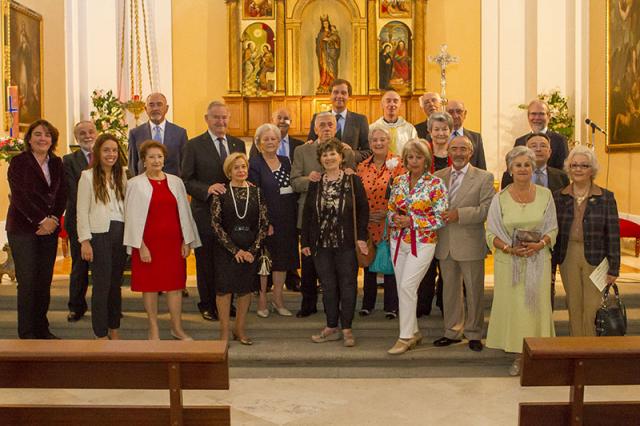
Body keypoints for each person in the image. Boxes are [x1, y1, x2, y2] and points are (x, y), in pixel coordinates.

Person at [486, 146, 557, 376]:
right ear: (510, 169)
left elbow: (552, 227)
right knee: (515, 310)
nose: (523, 168)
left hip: (538, 261)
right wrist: (509, 248)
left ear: (533, 168)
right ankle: (519, 357)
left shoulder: (546, 195)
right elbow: (491, 233)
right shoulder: (500, 198)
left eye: (527, 164)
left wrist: (541, 244)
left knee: (536, 308)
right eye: (518, 165)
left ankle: (539, 355)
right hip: (510, 263)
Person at [125, 141, 201, 340]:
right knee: (149, 287)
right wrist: (140, 245)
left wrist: (186, 240)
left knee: (175, 286)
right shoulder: (134, 184)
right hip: (147, 244)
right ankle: (154, 329)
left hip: (173, 243)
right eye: (151, 157)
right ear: (143, 160)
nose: (156, 160)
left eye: (159, 156)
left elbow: (184, 213)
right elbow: (131, 217)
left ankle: (177, 328)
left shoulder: (176, 182)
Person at [301, 139, 369, 347]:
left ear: (341, 157)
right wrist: (305, 241)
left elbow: (362, 209)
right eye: (325, 155)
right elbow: (308, 213)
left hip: (346, 243)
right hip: (321, 245)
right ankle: (331, 326)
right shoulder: (316, 182)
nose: (329, 158)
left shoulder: (352, 180)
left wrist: (361, 238)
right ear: (320, 159)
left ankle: (347, 328)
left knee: (348, 285)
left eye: (333, 154)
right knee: (328, 286)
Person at [182, 101, 246, 321]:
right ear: (207, 119)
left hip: (232, 215)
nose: (221, 121)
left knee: (228, 260)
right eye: (216, 117)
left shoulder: (238, 144)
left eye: (224, 117)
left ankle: (226, 302)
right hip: (205, 213)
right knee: (206, 261)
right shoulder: (193, 145)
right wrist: (207, 189)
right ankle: (207, 304)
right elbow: (186, 180)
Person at [432, 136, 494, 352]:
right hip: (445, 243)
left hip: (470, 241)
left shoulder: (484, 177)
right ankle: (451, 331)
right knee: (449, 290)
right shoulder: (437, 177)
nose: (458, 153)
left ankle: (474, 332)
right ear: (448, 152)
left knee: (474, 290)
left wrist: (459, 214)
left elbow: (486, 210)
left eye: (463, 149)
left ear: (471, 152)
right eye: (454, 149)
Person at [6, 119, 67, 339]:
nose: (43, 138)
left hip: (49, 229)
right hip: (23, 229)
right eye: (38, 134)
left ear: (53, 140)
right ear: (29, 138)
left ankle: (42, 329)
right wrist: (40, 220)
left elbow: (62, 194)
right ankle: (27, 332)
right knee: (28, 281)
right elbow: (20, 196)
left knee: (44, 281)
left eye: (48, 135)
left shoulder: (57, 163)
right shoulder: (19, 162)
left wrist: (53, 219)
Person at [292, 112, 356, 317]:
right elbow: (294, 182)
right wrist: (308, 179)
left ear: (336, 127)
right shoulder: (302, 150)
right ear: (315, 128)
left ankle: (337, 308)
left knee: (337, 268)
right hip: (310, 218)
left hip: (339, 221)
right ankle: (308, 304)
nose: (326, 128)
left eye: (330, 124)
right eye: (322, 125)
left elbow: (352, 181)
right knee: (309, 266)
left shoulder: (346, 151)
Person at [387, 139, 447, 355]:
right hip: (398, 241)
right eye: (410, 157)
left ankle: (405, 337)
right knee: (404, 288)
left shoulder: (435, 184)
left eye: (418, 157)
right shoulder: (399, 181)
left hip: (423, 242)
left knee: (407, 286)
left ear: (426, 159)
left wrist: (412, 221)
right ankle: (413, 331)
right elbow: (390, 209)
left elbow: (441, 217)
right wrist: (394, 217)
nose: (413, 161)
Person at [553, 145, 620, 336]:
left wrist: (614, 268)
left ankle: (591, 350)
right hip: (568, 256)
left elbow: (613, 234)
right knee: (573, 305)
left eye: (584, 165)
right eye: (574, 165)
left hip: (597, 258)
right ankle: (577, 349)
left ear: (592, 170)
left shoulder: (606, 197)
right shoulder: (559, 196)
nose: (578, 169)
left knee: (592, 307)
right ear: (569, 168)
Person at [211, 153, 268, 344]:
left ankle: (240, 330)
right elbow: (216, 225)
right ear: (229, 171)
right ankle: (224, 332)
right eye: (236, 167)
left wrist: (252, 251)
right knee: (224, 291)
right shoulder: (222, 193)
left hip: (250, 250)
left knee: (245, 291)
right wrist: (235, 251)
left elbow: (263, 224)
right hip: (226, 250)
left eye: (243, 166)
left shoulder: (257, 192)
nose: (241, 170)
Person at [76, 134, 127, 340]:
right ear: (98, 152)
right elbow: (81, 211)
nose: (111, 154)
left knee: (116, 286)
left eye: (114, 150)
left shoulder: (122, 174)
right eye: (106, 150)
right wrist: (85, 241)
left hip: (120, 233)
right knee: (102, 286)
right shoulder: (87, 176)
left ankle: (114, 330)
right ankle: (100, 333)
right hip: (99, 235)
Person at [249, 123, 298, 317]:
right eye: (266, 139)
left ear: (279, 141)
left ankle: (278, 300)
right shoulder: (254, 163)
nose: (270, 142)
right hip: (266, 221)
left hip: (287, 218)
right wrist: (265, 222)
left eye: (273, 138)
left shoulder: (286, 161)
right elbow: (255, 194)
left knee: (282, 260)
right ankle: (262, 299)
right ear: (259, 142)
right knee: (265, 261)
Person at [356, 125, 403, 318]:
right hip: (367, 223)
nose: (378, 143)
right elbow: (358, 196)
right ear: (370, 143)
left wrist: (388, 212)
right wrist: (366, 215)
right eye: (374, 140)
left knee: (390, 264)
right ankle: (368, 304)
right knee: (369, 263)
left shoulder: (399, 163)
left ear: (388, 141)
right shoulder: (362, 167)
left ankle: (391, 306)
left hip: (389, 223)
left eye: (382, 139)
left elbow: (403, 192)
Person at [415, 112, 453, 318]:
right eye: (436, 129)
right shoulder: (422, 154)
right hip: (424, 220)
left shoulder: (456, 153)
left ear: (450, 131)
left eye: (444, 129)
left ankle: (445, 303)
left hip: (449, 219)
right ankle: (423, 305)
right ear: (429, 132)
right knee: (426, 265)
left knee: (447, 264)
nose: (440, 133)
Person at [63, 121, 96, 322]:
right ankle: (76, 306)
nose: (87, 135)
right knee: (79, 266)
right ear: (77, 138)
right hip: (78, 219)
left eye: (91, 131)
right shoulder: (68, 160)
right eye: (82, 133)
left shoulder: (106, 155)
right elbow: (72, 191)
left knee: (104, 267)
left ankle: (108, 306)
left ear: (97, 133)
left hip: (104, 222)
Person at [307, 79, 370, 163]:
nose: (339, 96)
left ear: (349, 96)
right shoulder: (318, 118)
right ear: (330, 95)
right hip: (322, 171)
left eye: (343, 93)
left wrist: (351, 154)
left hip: (349, 171)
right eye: (336, 92)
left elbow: (368, 151)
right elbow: (311, 146)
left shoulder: (360, 120)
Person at [128, 92, 188, 176]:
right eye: (151, 105)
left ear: (166, 108)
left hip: (172, 185)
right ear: (146, 109)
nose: (155, 108)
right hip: (144, 185)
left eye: (159, 104)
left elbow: (185, 164)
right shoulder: (135, 133)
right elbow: (132, 165)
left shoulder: (180, 133)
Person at [501, 133, 569, 190]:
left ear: (549, 152)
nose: (538, 149)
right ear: (526, 151)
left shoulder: (562, 177)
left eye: (543, 146)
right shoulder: (510, 176)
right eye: (534, 146)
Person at [514, 99, 568, 170]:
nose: (537, 118)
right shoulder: (519, 142)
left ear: (549, 116)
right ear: (528, 117)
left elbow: (564, 170)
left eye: (541, 114)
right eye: (533, 114)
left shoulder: (559, 140)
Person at [371, 90, 417, 156]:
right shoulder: (372, 128)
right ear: (382, 104)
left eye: (395, 101)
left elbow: (415, 151)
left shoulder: (409, 129)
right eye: (388, 101)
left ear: (400, 104)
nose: (392, 104)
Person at [445, 99, 487, 170]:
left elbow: (481, 168)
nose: (455, 116)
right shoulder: (437, 138)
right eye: (451, 112)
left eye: (459, 111)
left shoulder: (476, 138)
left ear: (465, 114)